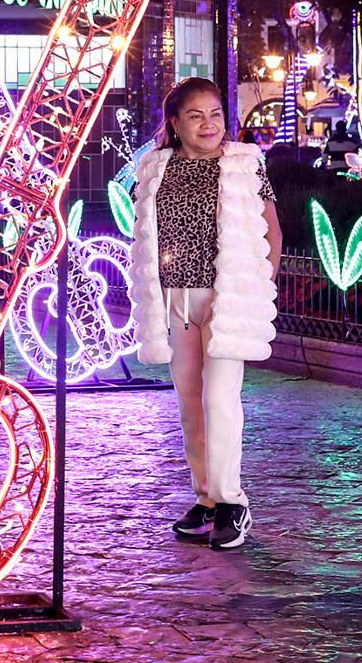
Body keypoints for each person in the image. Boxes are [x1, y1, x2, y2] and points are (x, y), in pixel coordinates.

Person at [128, 76, 282, 551]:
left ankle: (233, 502)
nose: (208, 124)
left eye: (215, 114)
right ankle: (207, 501)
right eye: (195, 116)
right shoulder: (155, 168)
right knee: (191, 404)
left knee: (220, 400)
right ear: (175, 123)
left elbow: (272, 233)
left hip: (226, 297)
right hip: (177, 300)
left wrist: (258, 287)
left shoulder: (243, 166)